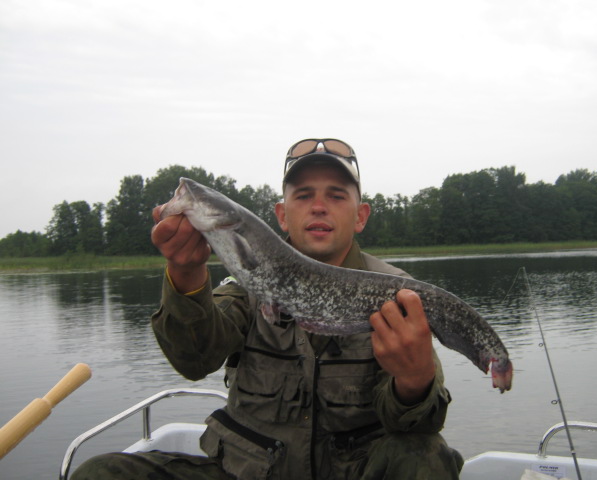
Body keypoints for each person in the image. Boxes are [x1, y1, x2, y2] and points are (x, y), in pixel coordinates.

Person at [72, 138, 463, 479]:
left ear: (360, 216)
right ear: (281, 215)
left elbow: (420, 424)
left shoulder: (398, 295)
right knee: (100, 473)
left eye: (336, 195)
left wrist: (414, 383)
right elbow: (194, 360)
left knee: (425, 455)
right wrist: (185, 275)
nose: (319, 207)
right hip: (245, 473)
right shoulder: (247, 285)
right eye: (303, 195)